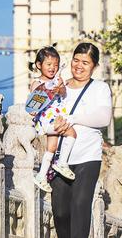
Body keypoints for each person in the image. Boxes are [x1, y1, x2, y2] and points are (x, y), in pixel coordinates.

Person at [50, 42, 112, 238]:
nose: (79, 65)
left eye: (85, 62)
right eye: (76, 60)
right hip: (60, 158)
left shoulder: (100, 88)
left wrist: (73, 118)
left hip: (88, 156)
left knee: (80, 206)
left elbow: (103, 118)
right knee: (60, 212)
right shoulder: (59, 87)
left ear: (94, 66)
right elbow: (42, 115)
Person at [26, 46, 76, 193]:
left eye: (56, 65)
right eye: (49, 64)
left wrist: (59, 88)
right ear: (39, 65)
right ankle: (62, 163)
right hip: (47, 120)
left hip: (56, 117)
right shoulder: (36, 82)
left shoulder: (59, 80)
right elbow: (34, 100)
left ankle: (41, 176)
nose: (53, 68)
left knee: (52, 148)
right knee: (72, 133)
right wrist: (48, 89)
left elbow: (64, 92)